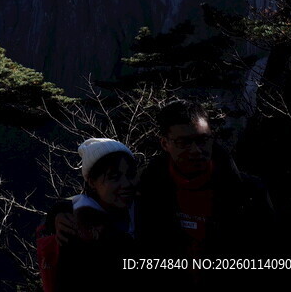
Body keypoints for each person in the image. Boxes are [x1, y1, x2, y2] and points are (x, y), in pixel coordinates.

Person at [136, 100, 274, 258]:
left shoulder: (248, 192)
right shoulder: (147, 190)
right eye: (184, 142)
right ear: (165, 143)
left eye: (203, 140)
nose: (196, 150)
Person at [39, 137, 139, 291]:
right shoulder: (75, 230)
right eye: (114, 177)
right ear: (92, 182)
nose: (126, 184)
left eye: (130, 175)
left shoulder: (141, 209)